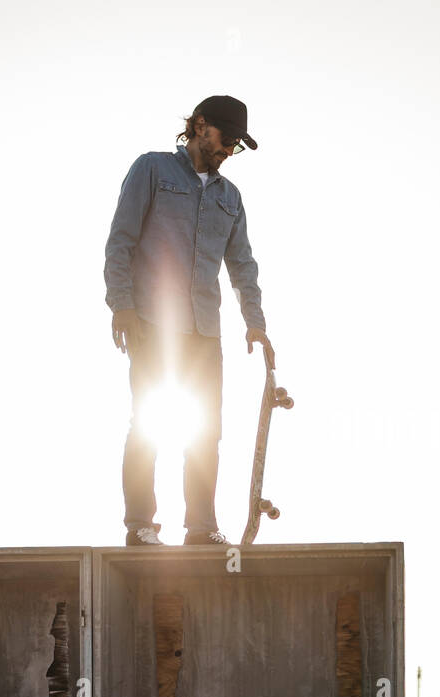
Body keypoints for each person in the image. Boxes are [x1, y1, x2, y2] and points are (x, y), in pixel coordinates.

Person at [104, 94, 275, 546]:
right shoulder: (153, 170)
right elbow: (120, 240)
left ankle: (201, 528)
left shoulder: (230, 198)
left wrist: (254, 322)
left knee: (205, 430)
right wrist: (120, 304)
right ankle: (140, 524)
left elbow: (243, 265)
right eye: (226, 139)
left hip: (204, 331)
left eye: (236, 147)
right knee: (148, 422)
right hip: (151, 322)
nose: (228, 151)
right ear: (200, 126)